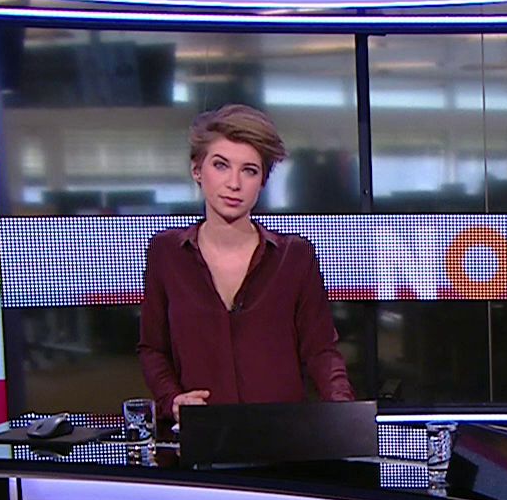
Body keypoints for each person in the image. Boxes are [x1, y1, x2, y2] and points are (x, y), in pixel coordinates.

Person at [139, 105, 354, 423]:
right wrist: (172, 400)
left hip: (282, 435)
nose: (234, 183)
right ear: (197, 170)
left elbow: (321, 351)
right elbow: (152, 348)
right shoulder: (167, 253)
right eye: (221, 165)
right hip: (204, 435)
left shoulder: (295, 257)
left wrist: (345, 414)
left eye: (249, 170)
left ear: (262, 180)